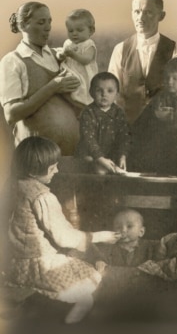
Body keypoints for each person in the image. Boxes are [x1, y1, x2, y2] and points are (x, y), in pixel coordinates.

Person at [4, 136, 120, 324]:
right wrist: (100, 236)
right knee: (90, 285)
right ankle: (68, 324)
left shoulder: (14, 186)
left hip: (14, 263)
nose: (57, 171)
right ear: (34, 172)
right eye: (52, 168)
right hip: (39, 266)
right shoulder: (42, 197)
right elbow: (63, 237)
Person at [0, 2, 81, 155]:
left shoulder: (58, 56)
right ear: (24, 26)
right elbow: (11, 114)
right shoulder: (12, 61)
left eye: (49, 21)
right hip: (37, 158)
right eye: (41, 22)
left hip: (70, 155)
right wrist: (52, 87)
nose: (48, 27)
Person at [108, 0, 177, 124]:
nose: (141, 18)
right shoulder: (120, 49)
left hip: (161, 128)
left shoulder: (175, 51)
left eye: (148, 12)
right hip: (127, 126)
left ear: (161, 16)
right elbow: (113, 93)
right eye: (137, 12)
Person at [86, 209, 177, 282]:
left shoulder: (150, 246)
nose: (123, 230)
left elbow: (160, 259)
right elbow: (98, 255)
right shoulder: (110, 248)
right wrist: (100, 260)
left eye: (129, 226)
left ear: (141, 232)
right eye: (118, 227)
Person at [129, 58, 177, 176]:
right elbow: (140, 124)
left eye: (175, 78)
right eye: (166, 78)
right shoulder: (160, 98)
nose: (169, 81)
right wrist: (154, 116)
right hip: (162, 145)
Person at [75, 72, 131, 174]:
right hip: (90, 155)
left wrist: (123, 155)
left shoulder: (119, 113)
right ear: (91, 92)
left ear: (117, 94)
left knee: (123, 168)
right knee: (100, 170)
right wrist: (100, 158)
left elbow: (124, 137)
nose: (104, 94)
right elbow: (89, 140)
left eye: (110, 91)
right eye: (99, 90)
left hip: (111, 155)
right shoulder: (88, 112)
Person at [55, 9, 98, 107]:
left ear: (91, 30)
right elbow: (62, 56)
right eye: (70, 31)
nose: (74, 33)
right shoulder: (68, 43)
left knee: (82, 90)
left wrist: (73, 55)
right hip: (70, 71)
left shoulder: (89, 45)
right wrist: (61, 56)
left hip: (84, 74)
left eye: (79, 30)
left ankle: (81, 104)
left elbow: (86, 60)